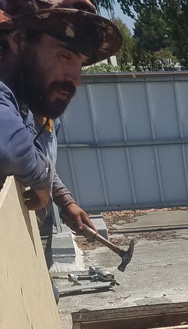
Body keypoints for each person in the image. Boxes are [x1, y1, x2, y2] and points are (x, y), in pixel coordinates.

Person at [0, 0, 120, 261]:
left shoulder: (25, 103)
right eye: (65, 56)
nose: (76, 78)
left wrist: (64, 199)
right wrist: (42, 184)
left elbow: (35, 154)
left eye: (81, 63)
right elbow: (10, 149)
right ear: (19, 40)